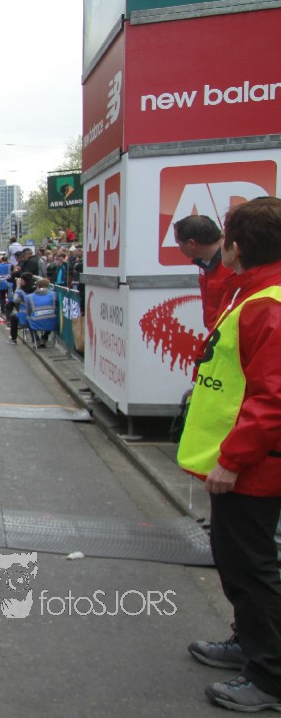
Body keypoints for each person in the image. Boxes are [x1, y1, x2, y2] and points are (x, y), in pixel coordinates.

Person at [177, 197, 281, 713]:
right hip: (245, 461)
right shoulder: (255, 292)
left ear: (237, 246)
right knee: (238, 562)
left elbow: (272, 397)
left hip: (252, 467)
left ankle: (270, 677)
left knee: (252, 568)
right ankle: (250, 644)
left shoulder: (267, 304)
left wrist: (232, 460)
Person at [174, 213, 237, 332]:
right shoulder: (204, 262)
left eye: (178, 243)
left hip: (230, 333)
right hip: (215, 332)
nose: (179, 248)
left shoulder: (234, 266)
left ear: (192, 243)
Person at [23, 277, 58, 348]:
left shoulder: (29, 297)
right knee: (51, 317)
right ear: (48, 286)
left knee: (27, 319)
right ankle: (44, 338)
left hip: (36, 323)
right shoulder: (54, 295)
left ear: (37, 286)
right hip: (52, 323)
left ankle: (36, 340)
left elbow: (28, 312)